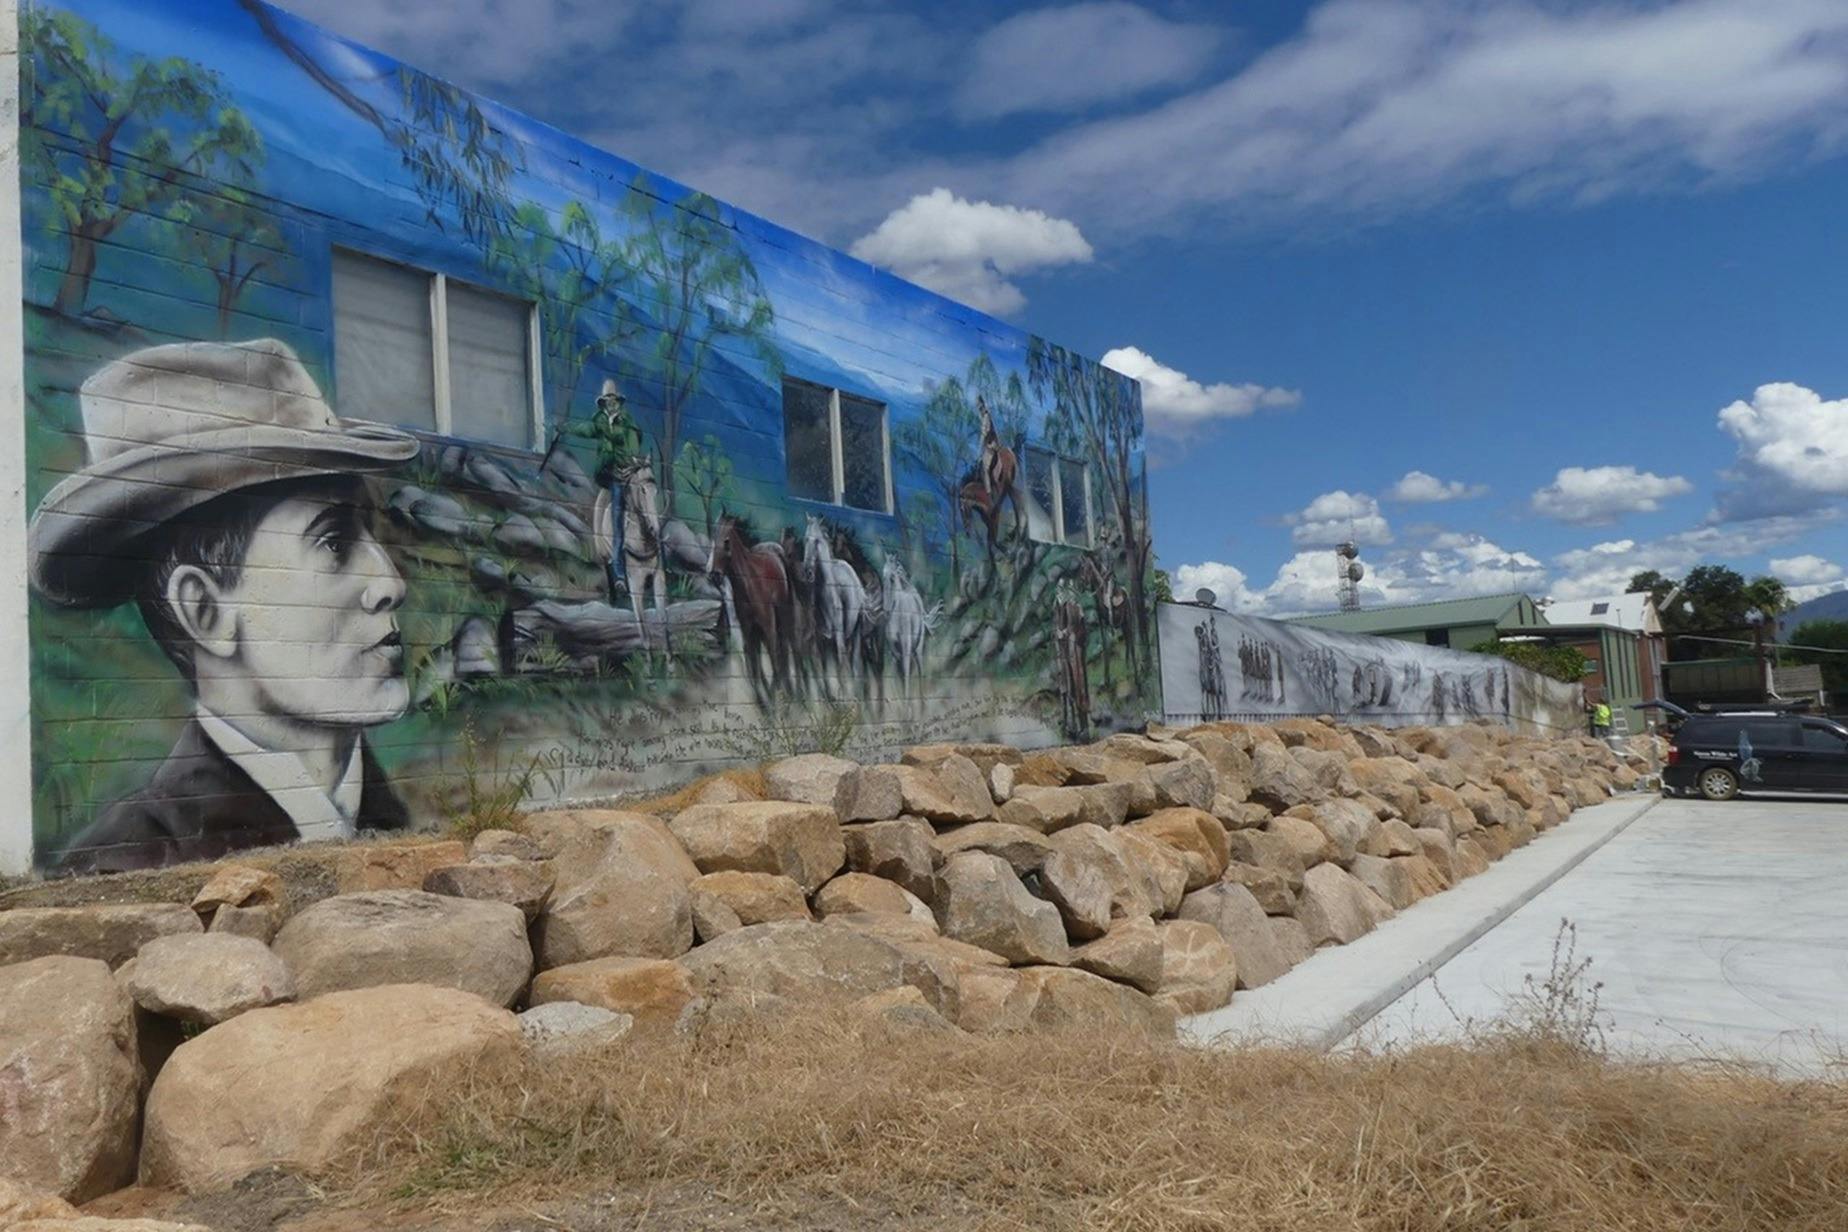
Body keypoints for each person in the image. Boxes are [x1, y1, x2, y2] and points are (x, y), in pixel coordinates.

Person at [28, 338, 422, 872]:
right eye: (334, 542)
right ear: (205, 610)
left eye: (369, 534)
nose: (390, 582)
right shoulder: (123, 866)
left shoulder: (395, 821)